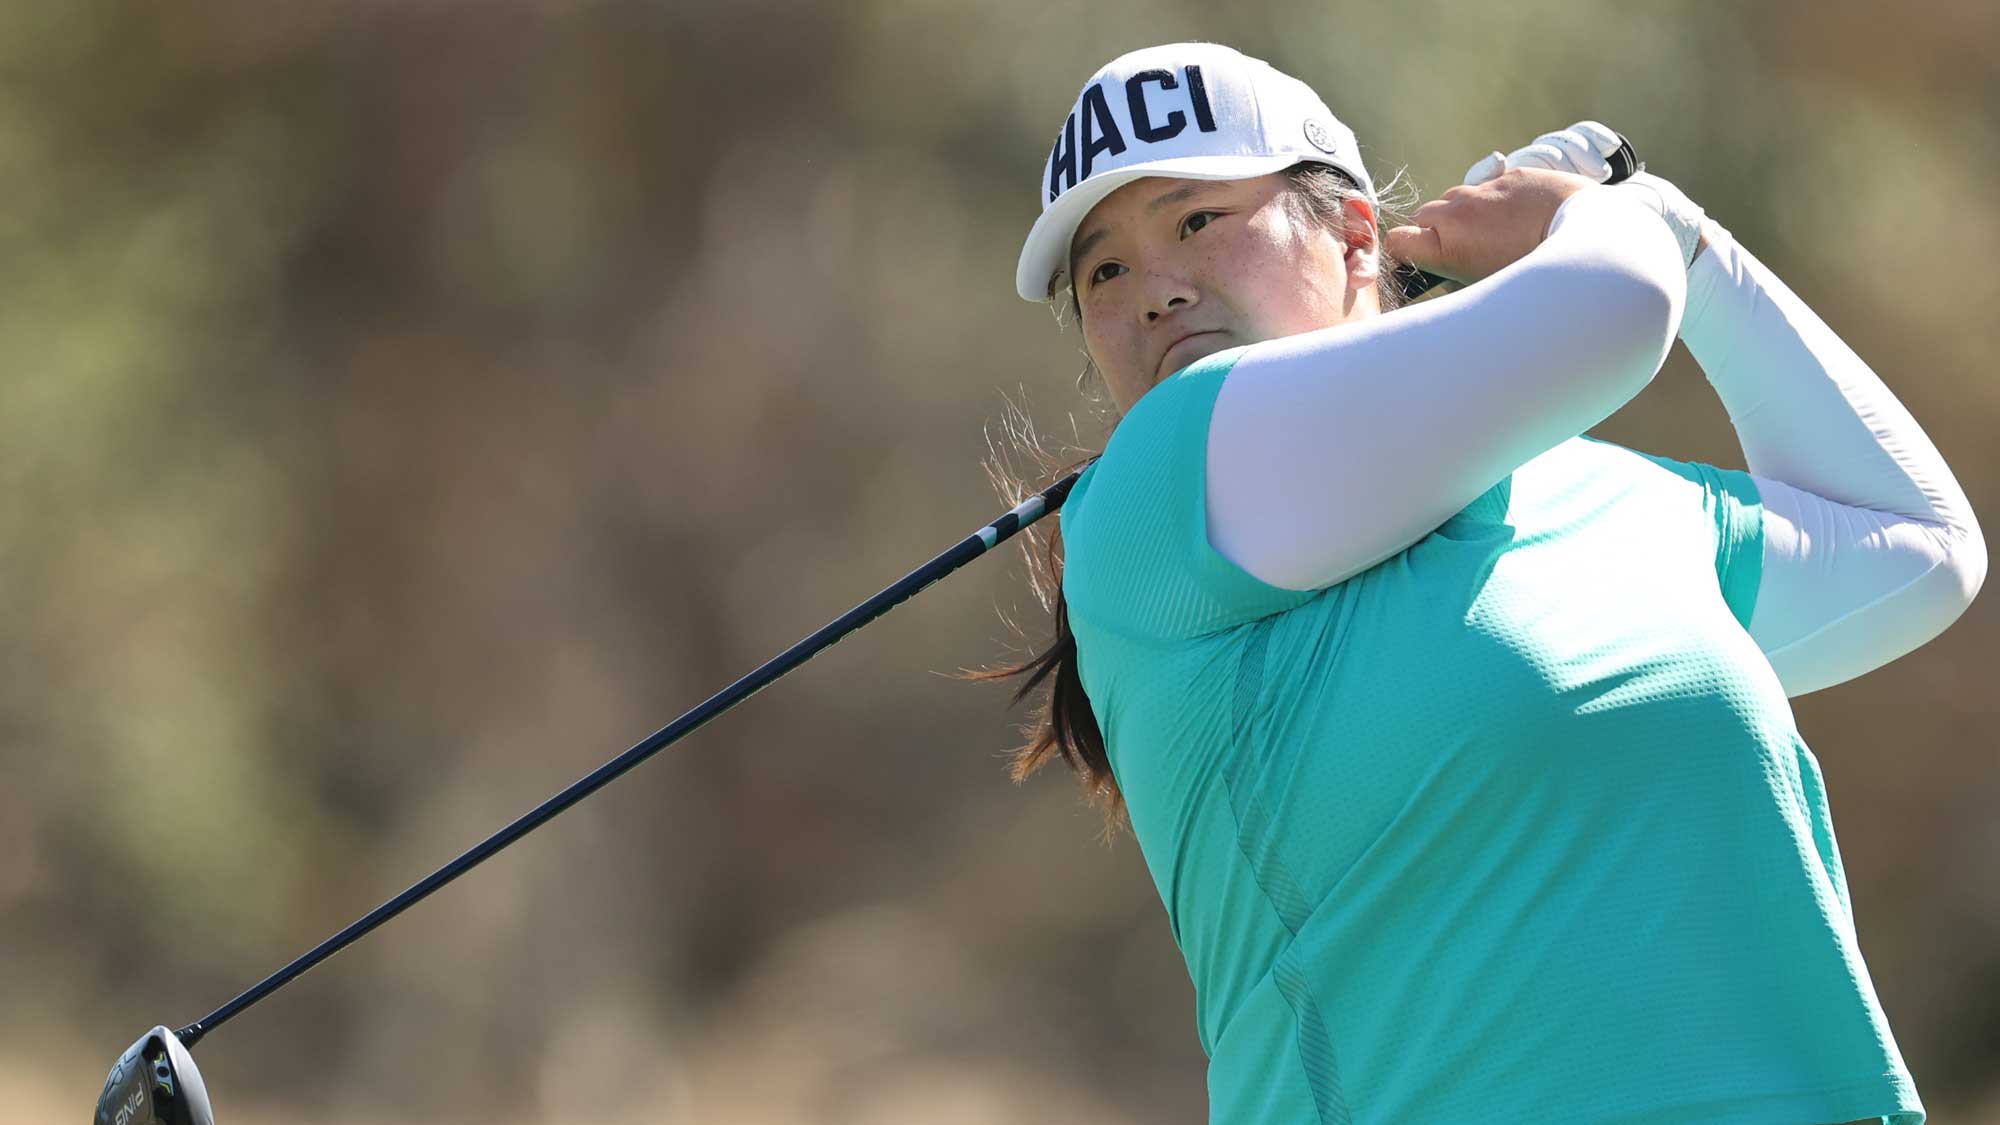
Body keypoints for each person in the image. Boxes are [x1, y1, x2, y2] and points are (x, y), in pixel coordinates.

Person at [982, 41, 1986, 1124]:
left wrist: (1690, 243)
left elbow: (1917, 548)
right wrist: (1599, 218)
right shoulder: (1155, 488)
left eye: (1193, 222)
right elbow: (1608, 311)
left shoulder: (1597, 498)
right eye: (1104, 270)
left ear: (1355, 234)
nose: (1153, 293)